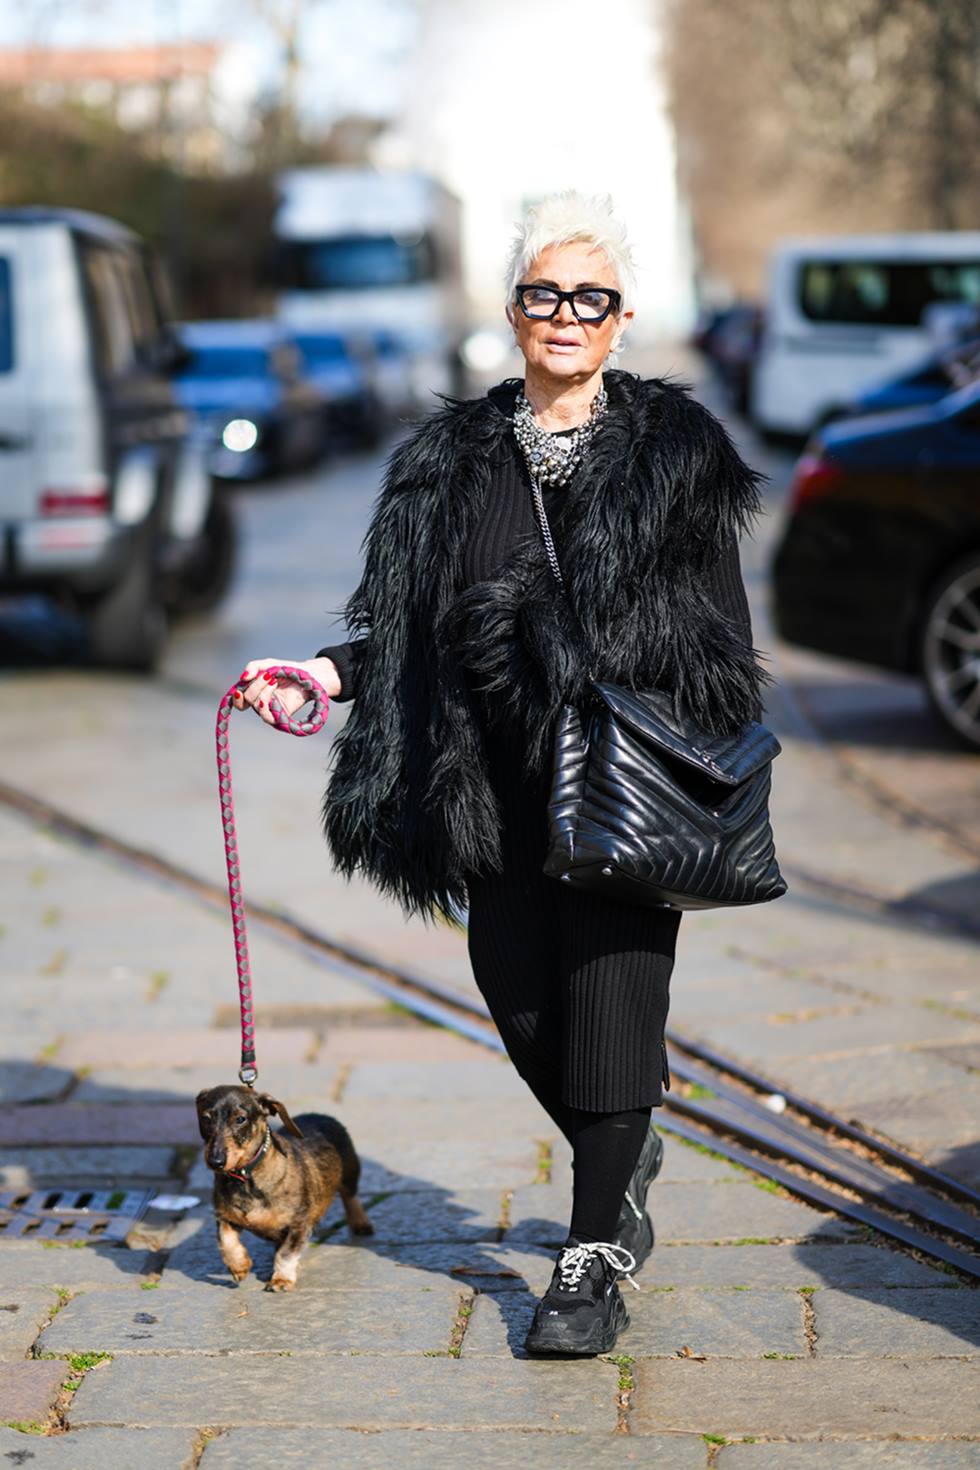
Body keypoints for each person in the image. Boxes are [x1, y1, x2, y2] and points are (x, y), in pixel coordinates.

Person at [235, 191, 766, 1356]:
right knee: (518, 994)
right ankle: (619, 1154)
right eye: (543, 295)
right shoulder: (449, 459)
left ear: (620, 320)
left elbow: (718, 652)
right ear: (515, 309)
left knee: (611, 1007)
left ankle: (588, 1260)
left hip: (623, 783)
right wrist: (325, 676)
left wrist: (550, 635)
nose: (564, 316)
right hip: (487, 789)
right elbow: (411, 626)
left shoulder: (678, 460)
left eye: (589, 299)